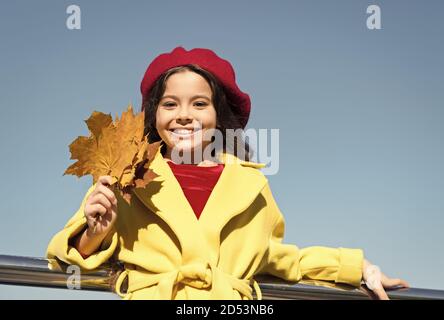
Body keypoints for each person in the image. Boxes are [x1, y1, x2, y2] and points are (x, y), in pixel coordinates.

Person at [46, 46, 409, 300]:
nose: (184, 115)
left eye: (199, 104)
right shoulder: (126, 178)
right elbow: (71, 253)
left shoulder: (251, 185)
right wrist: (94, 233)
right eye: (170, 104)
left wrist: (356, 267)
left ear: (218, 115)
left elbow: (279, 259)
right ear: (154, 116)